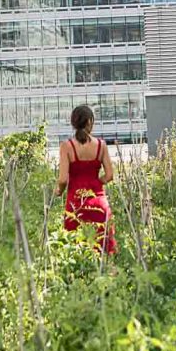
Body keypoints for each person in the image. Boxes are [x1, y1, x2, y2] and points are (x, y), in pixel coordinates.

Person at [57, 104, 117, 254]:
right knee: (104, 250)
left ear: (73, 123)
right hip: (98, 202)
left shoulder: (66, 146)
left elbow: (63, 179)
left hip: (75, 204)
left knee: (74, 249)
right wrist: (96, 183)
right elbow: (109, 175)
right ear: (90, 122)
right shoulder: (101, 145)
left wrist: (59, 191)